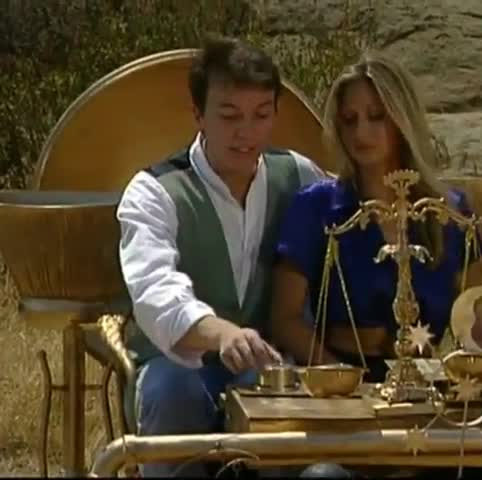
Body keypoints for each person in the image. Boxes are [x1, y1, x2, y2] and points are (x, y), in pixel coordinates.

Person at [272, 52, 482, 479]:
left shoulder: (450, 211)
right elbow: (284, 318)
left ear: (402, 119)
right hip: (345, 387)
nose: (361, 132)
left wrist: (478, 364)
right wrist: (341, 380)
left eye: (376, 116)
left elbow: (477, 311)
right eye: (349, 120)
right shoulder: (317, 208)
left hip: (427, 392)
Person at [117, 36, 326, 477]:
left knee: (271, 393)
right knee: (171, 389)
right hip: (178, 369)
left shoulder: (300, 177)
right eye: (229, 116)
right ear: (199, 115)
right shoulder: (155, 191)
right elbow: (156, 293)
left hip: (265, 370)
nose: (245, 132)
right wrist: (222, 334)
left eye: (261, 115)